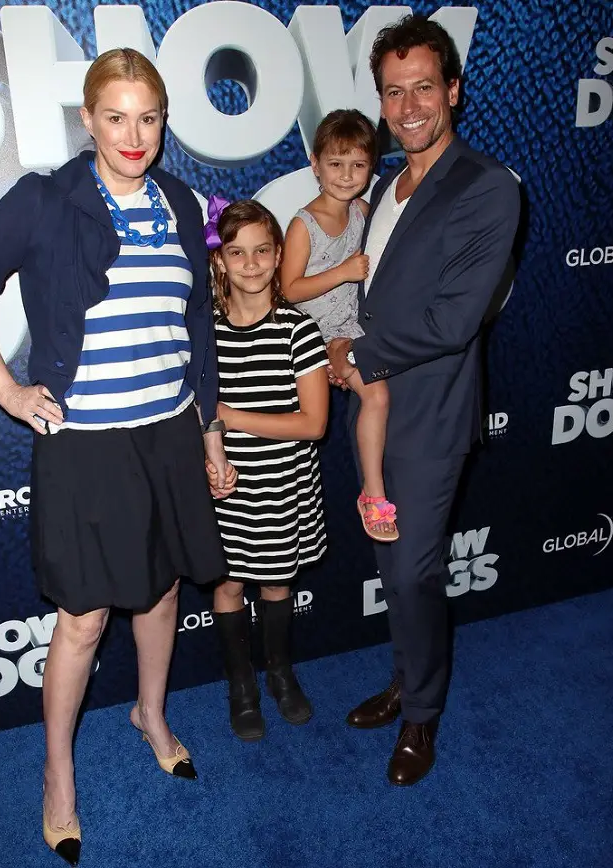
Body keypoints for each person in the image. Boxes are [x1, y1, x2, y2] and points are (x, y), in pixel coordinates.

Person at [0, 48, 236, 866]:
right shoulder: (46, 199)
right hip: (85, 446)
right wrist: (6, 389)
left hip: (170, 432)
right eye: (115, 117)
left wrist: (208, 430)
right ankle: (58, 773)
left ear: (163, 121)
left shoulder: (180, 201)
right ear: (87, 119)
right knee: (83, 617)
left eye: (148, 118)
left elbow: (197, 327)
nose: (133, 134)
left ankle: (151, 713)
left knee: (164, 588)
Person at [326, 16, 521, 786]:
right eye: (393, 92)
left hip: (430, 414)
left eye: (423, 89)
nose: (408, 106)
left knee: (411, 571)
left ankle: (422, 715)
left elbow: (453, 319)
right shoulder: (387, 183)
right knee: (392, 559)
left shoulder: (487, 185)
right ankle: (409, 676)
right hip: (372, 405)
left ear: (453, 91)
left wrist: (359, 356)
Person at [204, 199, 329, 741]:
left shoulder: (299, 331)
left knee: (276, 582)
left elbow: (313, 424)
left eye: (261, 251)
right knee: (228, 584)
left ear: (279, 255)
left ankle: (280, 673)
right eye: (237, 252)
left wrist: (231, 414)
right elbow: (189, 412)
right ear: (219, 261)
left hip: (280, 487)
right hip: (223, 488)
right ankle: (241, 685)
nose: (250, 264)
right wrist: (209, 456)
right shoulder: (204, 336)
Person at [282, 110, 398, 543]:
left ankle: (374, 488)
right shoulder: (302, 224)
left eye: (358, 165)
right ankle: (373, 494)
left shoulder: (365, 212)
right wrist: (344, 271)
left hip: (355, 332)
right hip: (313, 338)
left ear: (371, 167)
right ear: (315, 164)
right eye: (335, 163)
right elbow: (289, 290)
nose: (347, 175)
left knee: (384, 398)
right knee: (378, 396)